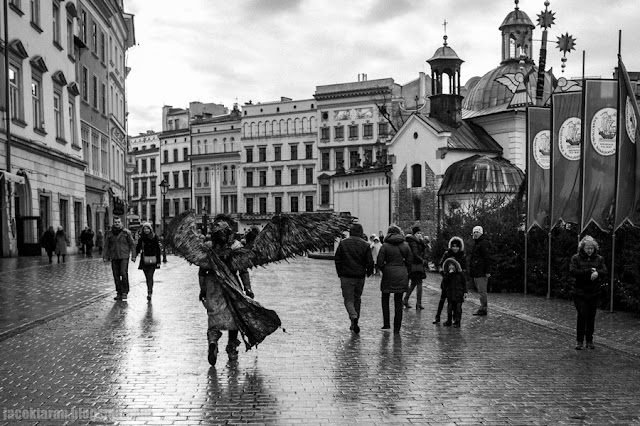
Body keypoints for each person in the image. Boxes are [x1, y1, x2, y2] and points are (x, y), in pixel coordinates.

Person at [199, 215, 254, 366]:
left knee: (214, 316)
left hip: (213, 286)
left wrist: (203, 290)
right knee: (234, 319)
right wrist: (247, 288)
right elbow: (243, 270)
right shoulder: (236, 247)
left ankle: (213, 341)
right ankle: (231, 349)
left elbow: (202, 271)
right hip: (232, 286)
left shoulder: (208, 248)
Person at [334, 223, 374, 334]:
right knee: (357, 298)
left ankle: (353, 316)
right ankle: (354, 322)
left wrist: (340, 272)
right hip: (360, 276)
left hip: (346, 276)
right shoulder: (365, 245)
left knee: (348, 299)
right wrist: (369, 272)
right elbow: (370, 261)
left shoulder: (343, 243)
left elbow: (337, 259)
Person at [569, 235, 607, 350]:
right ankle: (579, 340)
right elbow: (573, 271)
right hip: (580, 292)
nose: (590, 251)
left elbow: (605, 271)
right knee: (582, 314)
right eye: (587, 248)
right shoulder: (576, 258)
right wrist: (587, 271)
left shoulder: (599, 259)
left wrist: (597, 273)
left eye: (592, 248)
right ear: (583, 248)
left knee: (591, 316)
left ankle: (589, 340)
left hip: (594, 292)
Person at [377, 225, 412, 333]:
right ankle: (397, 327)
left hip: (388, 273)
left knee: (385, 298)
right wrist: (405, 271)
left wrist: (385, 269)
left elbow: (379, 262)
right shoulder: (405, 246)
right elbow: (410, 262)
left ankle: (386, 323)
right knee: (398, 301)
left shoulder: (385, 246)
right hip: (401, 273)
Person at [434, 236, 466, 324]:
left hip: (457, 282)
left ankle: (455, 318)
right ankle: (438, 316)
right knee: (442, 299)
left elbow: (465, 269)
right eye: (453, 246)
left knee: (455, 302)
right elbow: (440, 265)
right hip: (447, 280)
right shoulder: (447, 254)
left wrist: (459, 274)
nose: (455, 248)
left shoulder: (462, 256)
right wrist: (443, 273)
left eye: (457, 246)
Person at [103, 217, 136, 301]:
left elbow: (132, 244)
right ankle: (119, 292)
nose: (117, 223)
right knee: (116, 275)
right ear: (113, 223)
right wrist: (105, 256)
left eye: (118, 222)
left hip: (124, 256)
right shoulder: (110, 234)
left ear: (121, 223)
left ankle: (125, 292)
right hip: (114, 256)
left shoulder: (126, 233)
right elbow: (106, 245)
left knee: (123, 273)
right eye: (115, 222)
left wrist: (133, 255)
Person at [133, 222, 161, 301]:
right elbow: (138, 248)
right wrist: (134, 256)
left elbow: (158, 249)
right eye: (144, 229)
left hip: (153, 259)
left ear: (150, 229)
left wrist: (159, 261)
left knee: (150, 276)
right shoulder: (141, 238)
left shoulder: (154, 237)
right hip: (144, 260)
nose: (146, 230)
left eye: (147, 228)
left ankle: (149, 292)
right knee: (146, 277)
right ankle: (149, 289)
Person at [469, 225, 493, 316]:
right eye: (474, 232)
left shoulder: (483, 244)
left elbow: (487, 258)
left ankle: (483, 308)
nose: (475, 234)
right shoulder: (477, 244)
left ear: (481, 233)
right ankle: (482, 307)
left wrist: (487, 271)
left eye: (477, 232)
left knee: (482, 291)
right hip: (477, 272)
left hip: (481, 272)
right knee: (480, 291)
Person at [403, 226, 426, 310]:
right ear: (414, 234)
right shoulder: (414, 243)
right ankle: (418, 303)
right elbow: (415, 254)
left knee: (414, 283)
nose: (419, 235)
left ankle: (406, 300)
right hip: (416, 265)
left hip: (415, 265)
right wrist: (422, 260)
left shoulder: (417, 242)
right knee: (419, 283)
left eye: (420, 233)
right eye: (418, 233)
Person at [441, 258, 467, 327]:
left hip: (459, 294)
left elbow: (464, 283)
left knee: (458, 308)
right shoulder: (447, 275)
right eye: (450, 265)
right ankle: (449, 320)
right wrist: (449, 275)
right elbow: (444, 283)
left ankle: (457, 321)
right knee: (449, 309)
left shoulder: (460, 274)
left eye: (452, 265)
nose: (451, 267)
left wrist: (465, 292)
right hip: (450, 294)